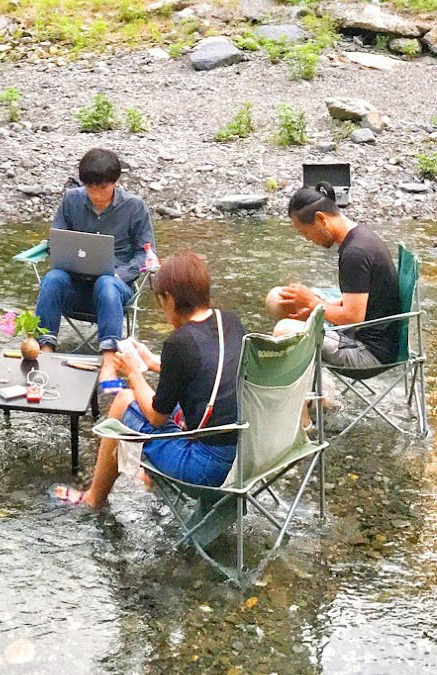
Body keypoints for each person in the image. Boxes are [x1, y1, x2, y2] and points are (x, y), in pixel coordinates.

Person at [57, 251, 242, 506]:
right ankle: (148, 476)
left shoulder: (179, 343)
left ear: (169, 299)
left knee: (123, 401)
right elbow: (207, 374)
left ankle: (94, 499)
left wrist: (133, 372)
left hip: (205, 469)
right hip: (243, 453)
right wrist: (154, 363)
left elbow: (157, 418)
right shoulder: (229, 322)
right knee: (146, 401)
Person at [265, 184, 403, 370]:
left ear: (321, 219)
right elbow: (363, 302)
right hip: (364, 334)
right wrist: (313, 310)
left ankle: (305, 386)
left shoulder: (355, 253)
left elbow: (353, 318)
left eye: (304, 232)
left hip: (367, 352)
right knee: (278, 299)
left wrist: (313, 303)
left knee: (283, 330)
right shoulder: (359, 237)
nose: (307, 239)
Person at [32, 147, 154, 352]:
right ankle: (45, 348)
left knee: (107, 282)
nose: (96, 195)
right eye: (90, 188)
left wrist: (120, 275)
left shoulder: (135, 207)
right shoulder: (71, 200)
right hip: (74, 287)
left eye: (103, 188)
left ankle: (110, 355)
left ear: (115, 182)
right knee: (53, 278)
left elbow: (147, 254)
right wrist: (61, 254)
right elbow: (55, 241)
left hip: (114, 292)